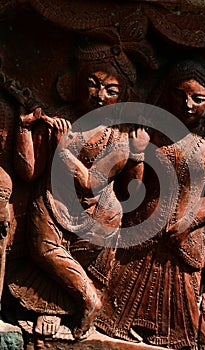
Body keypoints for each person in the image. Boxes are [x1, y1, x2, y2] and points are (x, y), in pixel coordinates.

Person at [8, 41, 150, 339]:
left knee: (55, 250)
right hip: (51, 201)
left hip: (93, 214)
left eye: (111, 91)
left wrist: (63, 147)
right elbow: (30, 171)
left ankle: (90, 300)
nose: (99, 96)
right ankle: (57, 306)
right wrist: (24, 129)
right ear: (76, 83)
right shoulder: (60, 116)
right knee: (40, 246)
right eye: (92, 84)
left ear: (122, 96)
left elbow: (90, 183)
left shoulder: (119, 137)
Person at [94, 57, 205, 349]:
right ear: (165, 92)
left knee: (182, 307)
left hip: (183, 236)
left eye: (198, 99)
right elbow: (132, 187)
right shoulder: (151, 134)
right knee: (118, 302)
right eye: (179, 95)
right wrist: (136, 154)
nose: (187, 105)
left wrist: (188, 222)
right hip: (142, 226)